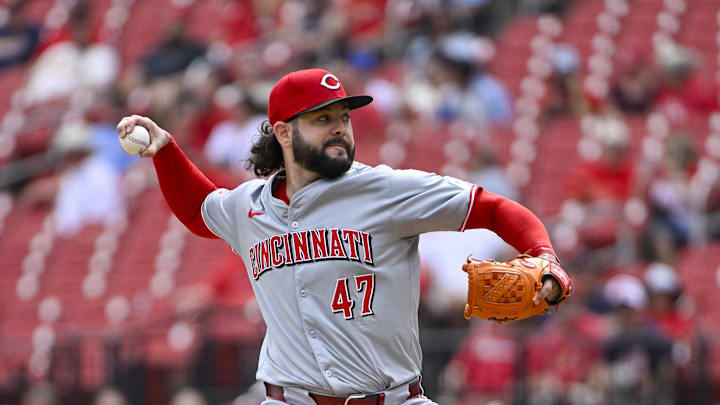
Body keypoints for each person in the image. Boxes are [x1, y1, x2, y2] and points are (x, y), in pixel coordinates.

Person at [117, 68, 570, 405]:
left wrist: (544, 255)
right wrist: (165, 151)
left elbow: (492, 207)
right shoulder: (249, 205)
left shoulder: (386, 190)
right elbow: (201, 211)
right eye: (321, 118)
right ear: (284, 132)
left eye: (343, 117)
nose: (339, 126)